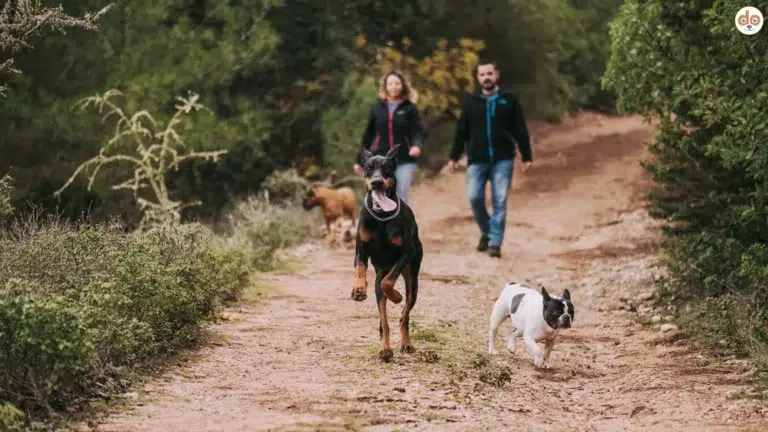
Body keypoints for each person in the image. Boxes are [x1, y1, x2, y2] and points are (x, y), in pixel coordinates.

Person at [447, 60, 533, 258]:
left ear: (497, 75)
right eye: (482, 74)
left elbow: (520, 128)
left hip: (503, 159)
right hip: (476, 159)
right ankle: (487, 232)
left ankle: (495, 243)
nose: (486, 77)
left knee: (500, 200)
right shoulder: (471, 103)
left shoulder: (509, 100)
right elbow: (462, 131)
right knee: (474, 197)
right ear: (478, 78)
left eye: (489, 73)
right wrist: (454, 156)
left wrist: (527, 155)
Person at [355, 71, 424, 204]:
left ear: (403, 85)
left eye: (397, 83)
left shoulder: (410, 108)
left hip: (404, 159)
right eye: (390, 83)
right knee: (381, 194)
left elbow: (417, 131)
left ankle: (400, 223)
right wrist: (358, 160)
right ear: (385, 86)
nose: (394, 86)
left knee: (401, 194)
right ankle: (383, 223)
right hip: (380, 160)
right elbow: (368, 135)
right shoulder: (377, 108)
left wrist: (416, 145)